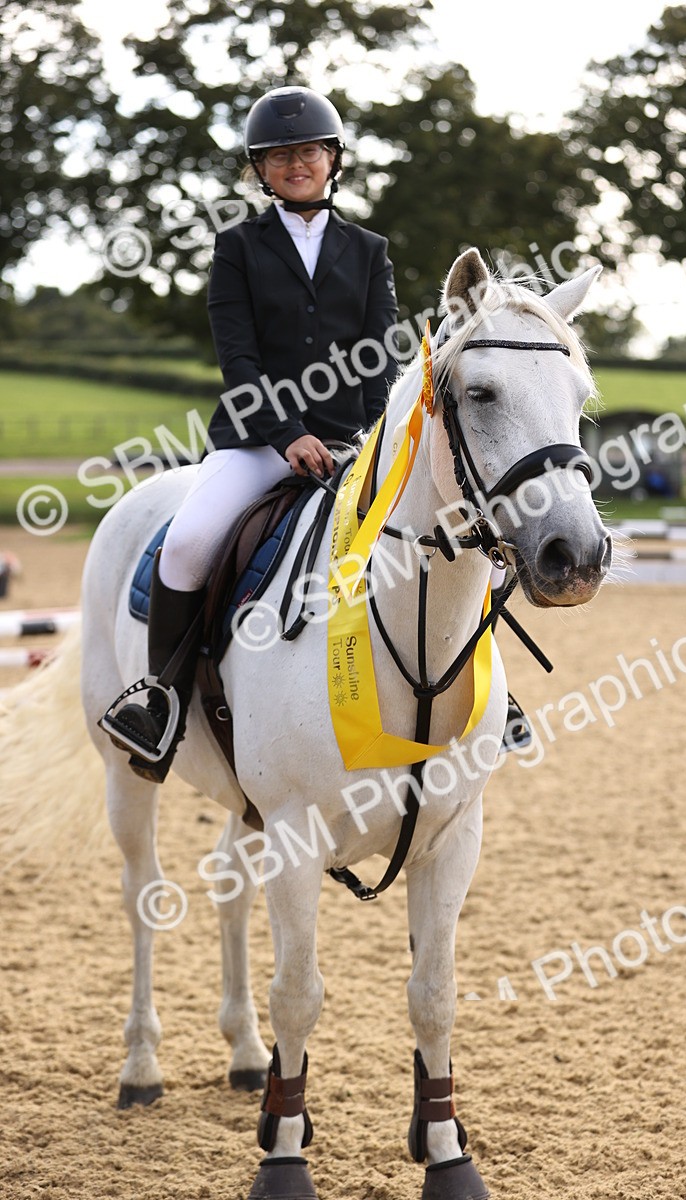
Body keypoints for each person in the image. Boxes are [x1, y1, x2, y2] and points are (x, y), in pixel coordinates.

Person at [103, 85, 399, 781]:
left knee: (438, 525)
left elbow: (383, 358)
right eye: (279, 155)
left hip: (350, 443)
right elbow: (238, 359)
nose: (296, 163)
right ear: (259, 170)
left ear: (333, 159)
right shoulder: (236, 247)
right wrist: (288, 434)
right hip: (254, 442)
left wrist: (382, 438)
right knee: (187, 544)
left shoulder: (369, 251)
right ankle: (160, 704)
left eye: (308, 151)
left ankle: (489, 698)